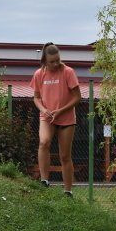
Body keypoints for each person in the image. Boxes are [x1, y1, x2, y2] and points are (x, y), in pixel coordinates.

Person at [32, 42, 81, 198]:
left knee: (64, 156)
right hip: (47, 117)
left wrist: (60, 111)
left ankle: (68, 191)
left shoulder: (68, 72)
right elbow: (36, 98)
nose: (55, 64)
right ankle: (44, 180)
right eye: (51, 61)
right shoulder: (39, 74)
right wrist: (43, 109)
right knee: (44, 142)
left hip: (66, 118)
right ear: (44, 60)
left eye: (57, 60)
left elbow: (77, 97)